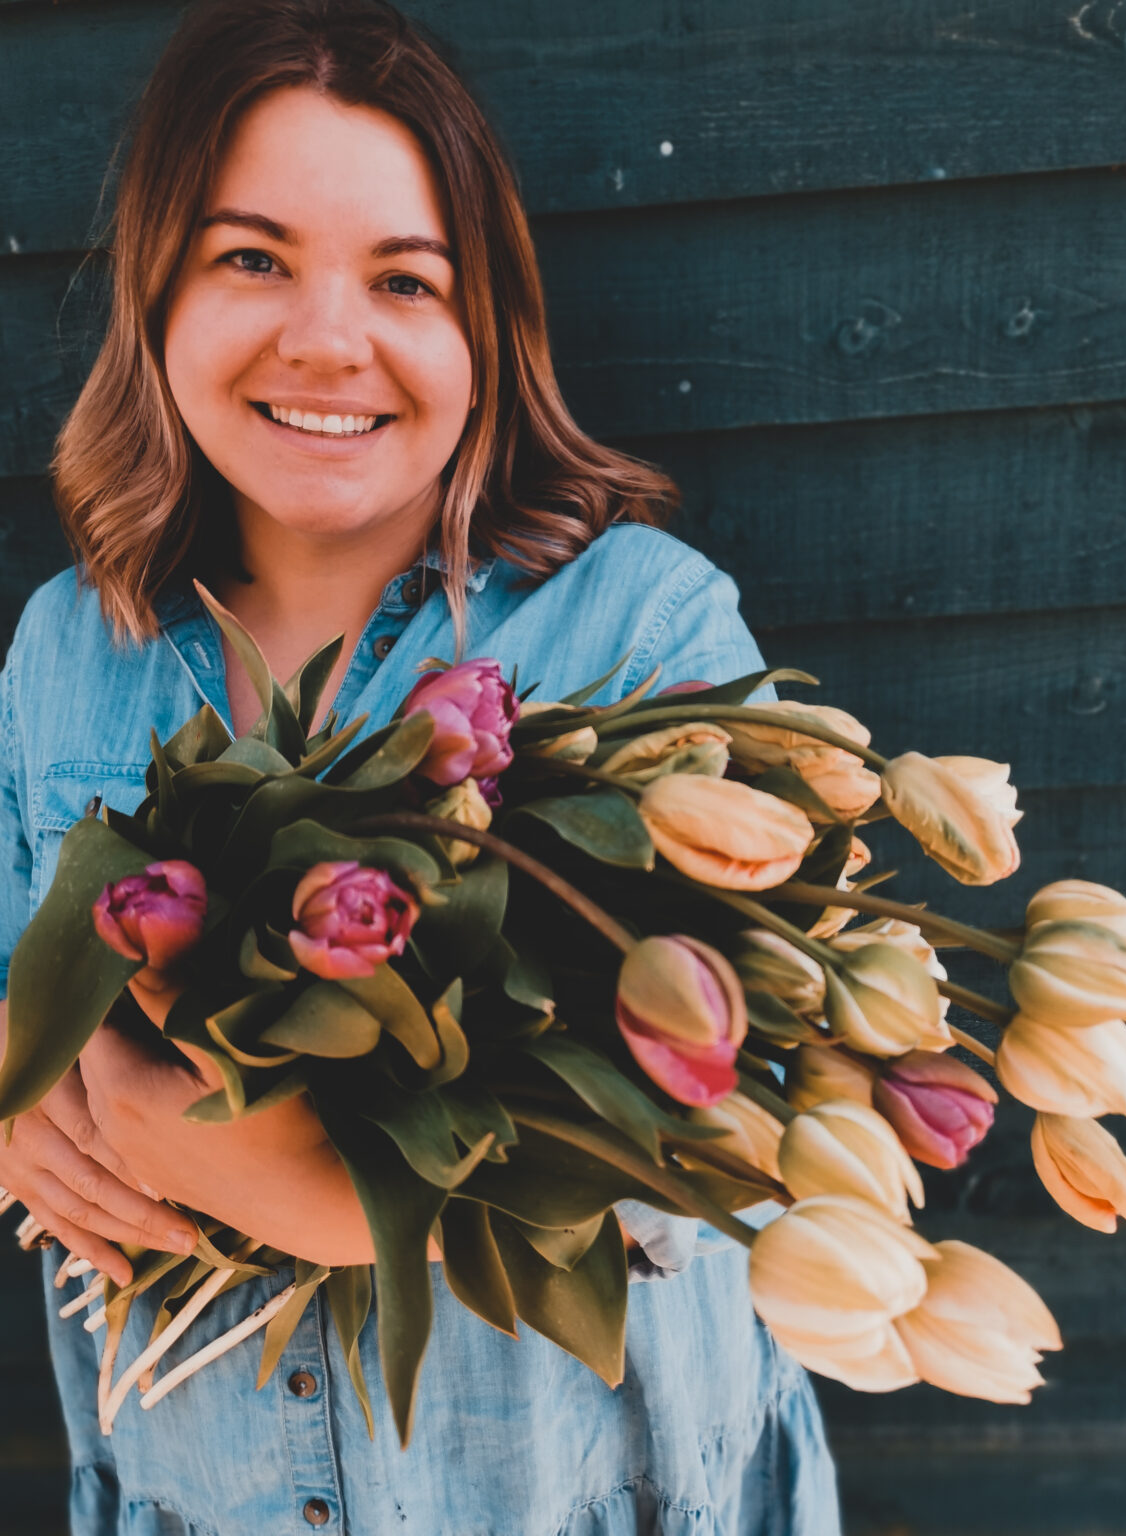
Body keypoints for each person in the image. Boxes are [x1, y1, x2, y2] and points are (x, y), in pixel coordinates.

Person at [0, 2, 841, 1530]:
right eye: (252, 259)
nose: (330, 339)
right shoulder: (70, 651)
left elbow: (752, 1132)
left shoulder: (639, 639)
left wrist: (355, 1212)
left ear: (483, 334)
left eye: (405, 279)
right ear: (157, 291)